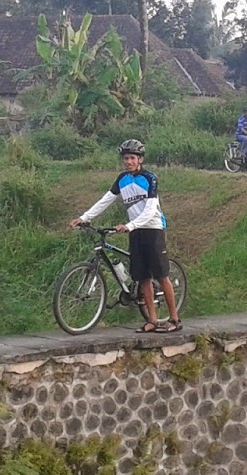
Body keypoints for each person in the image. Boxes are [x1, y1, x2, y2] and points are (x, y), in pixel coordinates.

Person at [69, 138, 182, 332]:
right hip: (135, 231)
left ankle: (174, 320)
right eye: (126, 158)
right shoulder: (122, 179)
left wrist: (130, 225)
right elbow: (106, 200)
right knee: (143, 277)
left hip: (153, 229)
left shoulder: (149, 178)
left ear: (141, 160)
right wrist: (84, 217)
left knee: (162, 276)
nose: (128, 162)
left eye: (132, 158)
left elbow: (150, 210)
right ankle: (152, 321)